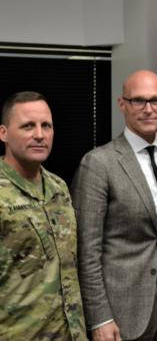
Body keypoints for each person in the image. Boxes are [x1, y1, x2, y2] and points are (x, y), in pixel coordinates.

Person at [71, 70, 157, 341]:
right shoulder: (98, 163)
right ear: (122, 104)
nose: (148, 109)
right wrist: (99, 317)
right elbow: (87, 251)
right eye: (138, 101)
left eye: (155, 101)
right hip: (121, 313)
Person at [0, 91, 87, 340]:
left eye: (46, 126)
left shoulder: (59, 188)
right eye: (28, 126)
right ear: (3, 133)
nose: (39, 134)